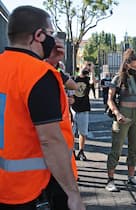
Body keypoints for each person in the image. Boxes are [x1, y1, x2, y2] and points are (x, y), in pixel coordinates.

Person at [0, 5, 85, 210]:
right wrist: (73, 194)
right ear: (38, 35)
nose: (53, 39)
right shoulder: (38, 74)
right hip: (34, 188)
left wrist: (50, 63)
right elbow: (50, 139)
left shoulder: (6, 65)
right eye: (50, 33)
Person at [105, 48, 136, 192]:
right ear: (127, 64)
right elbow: (109, 99)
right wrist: (117, 114)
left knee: (134, 148)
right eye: (133, 66)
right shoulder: (118, 78)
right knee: (117, 148)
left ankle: (131, 178)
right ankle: (110, 180)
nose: (135, 69)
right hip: (123, 113)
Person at [72, 65, 91, 161]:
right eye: (85, 67)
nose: (86, 69)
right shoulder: (73, 79)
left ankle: (81, 151)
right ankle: (72, 151)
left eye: (88, 68)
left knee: (83, 132)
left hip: (84, 108)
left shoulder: (88, 80)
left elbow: (94, 83)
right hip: (73, 108)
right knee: (71, 132)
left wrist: (92, 72)